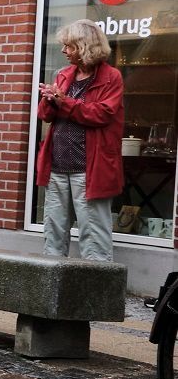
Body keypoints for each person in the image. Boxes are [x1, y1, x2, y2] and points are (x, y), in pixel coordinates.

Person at [36, 18, 124, 262]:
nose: (64, 51)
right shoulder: (64, 75)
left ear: (84, 47)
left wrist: (64, 101)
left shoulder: (111, 77)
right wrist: (49, 99)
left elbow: (102, 114)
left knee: (93, 235)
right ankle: (52, 290)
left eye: (69, 46)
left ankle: (96, 295)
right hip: (57, 166)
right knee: (53, 231)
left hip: (90, 169)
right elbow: (45, 116)